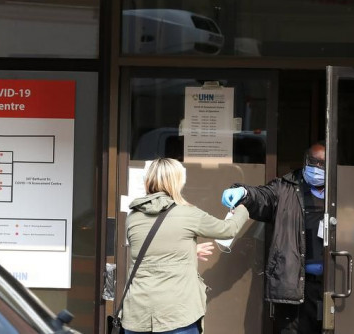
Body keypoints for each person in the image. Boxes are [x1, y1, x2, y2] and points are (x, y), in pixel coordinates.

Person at [121, 157, 249, 334]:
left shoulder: (133, 217)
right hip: (176, 315)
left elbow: (151, 251)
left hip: (137, 313)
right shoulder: (188, 214)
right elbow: (228, 230)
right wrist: (243, 207)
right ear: (177, 181)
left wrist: (189, 250)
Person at [221, 141, 327, 334]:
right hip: (293, 285)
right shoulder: (286, 188)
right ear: (305, 160)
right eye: (313, 161)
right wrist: (243, 192)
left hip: (330, 286)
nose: (317, 168)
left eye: (323, 164)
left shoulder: (339, 193)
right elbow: (262, 196)